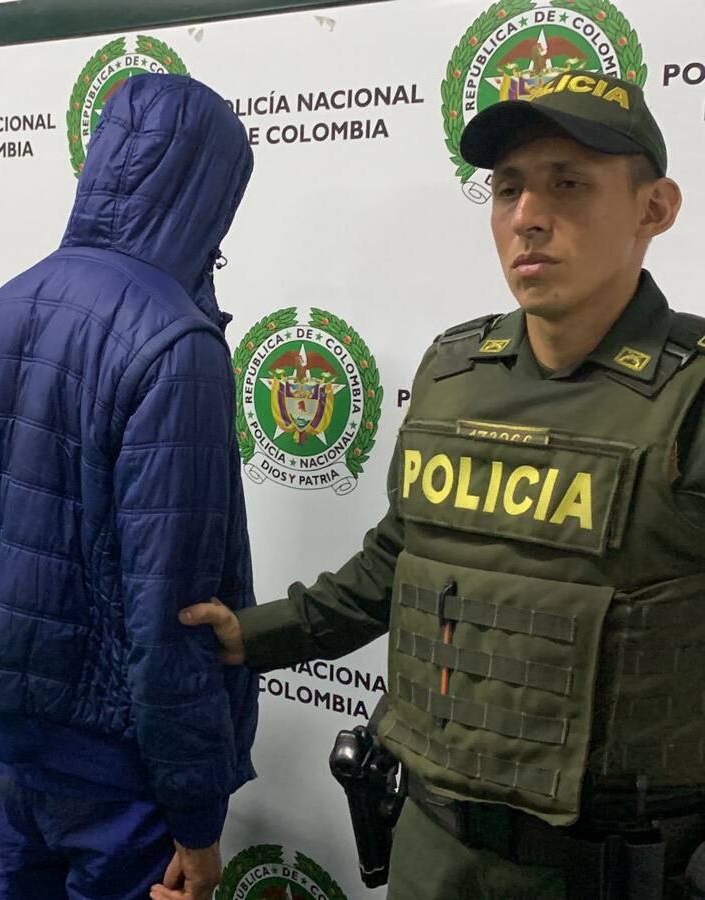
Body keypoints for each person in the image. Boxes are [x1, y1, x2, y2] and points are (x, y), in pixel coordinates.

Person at [182, 71, 705, 899]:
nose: (528, 216)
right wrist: (254, 635)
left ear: (655, 208)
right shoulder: (456, 371)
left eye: (569, 184)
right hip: (433, 847)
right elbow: (398, 561)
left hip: (612, 868)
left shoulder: (694, 395)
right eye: (508, 189)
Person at [0, 73, 259, 900]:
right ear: (212, 189)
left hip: (13, 744)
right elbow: (172, 610)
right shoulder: (176, 340)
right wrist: (197, 813)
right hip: (119, 774)